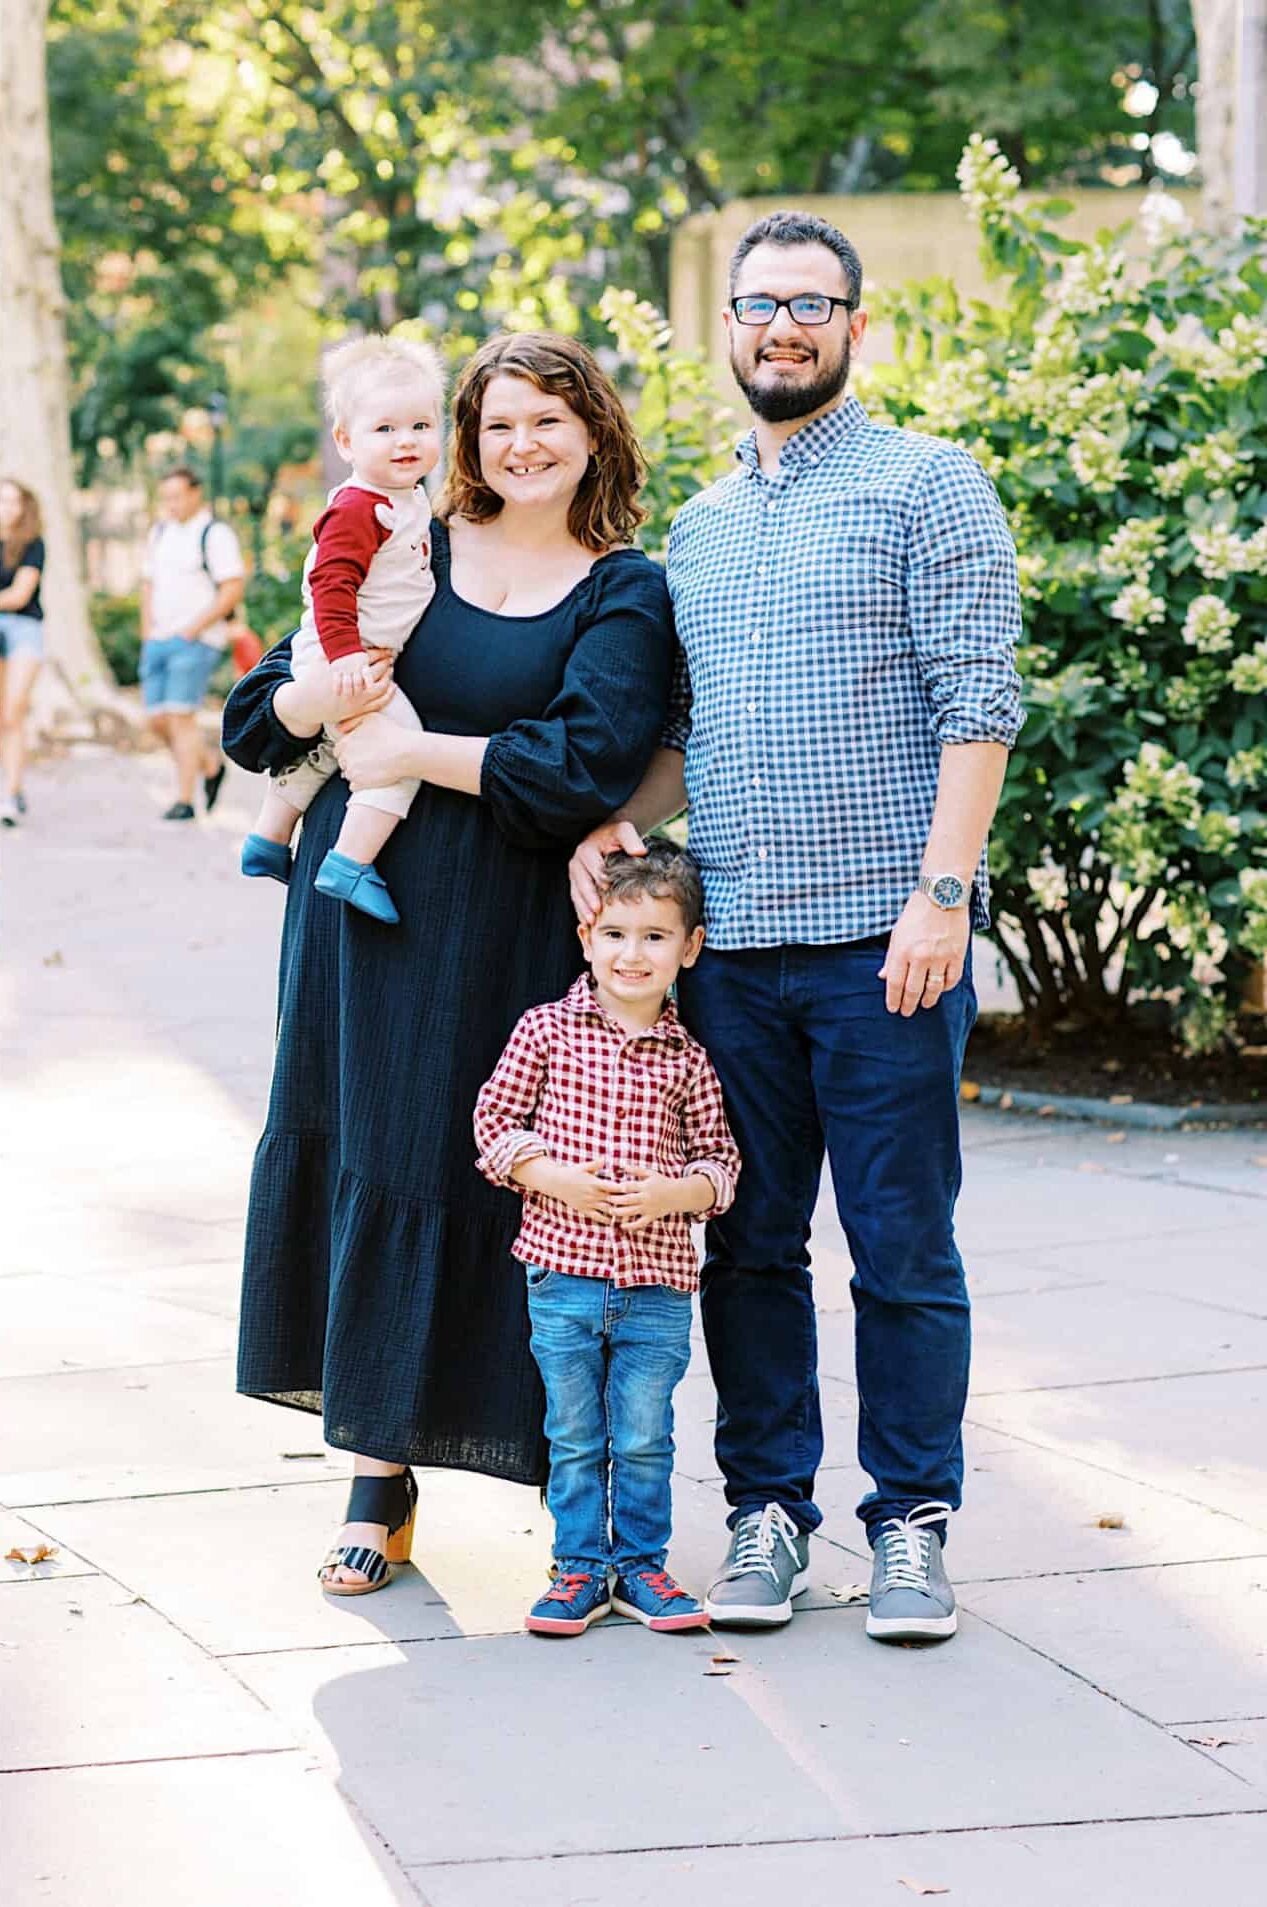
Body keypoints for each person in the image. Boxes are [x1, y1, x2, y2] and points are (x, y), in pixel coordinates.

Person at [570, 209, 1024, 1644]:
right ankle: (766, 1510)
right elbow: (687, 738)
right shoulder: (694, 529)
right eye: (758, 303)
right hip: (736, 955)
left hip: (886, 948)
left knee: (900, 1245)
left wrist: (940, 893)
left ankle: (910, 1525)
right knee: (750, 1242)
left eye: (810, 305)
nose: (782, 326)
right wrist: (607, 819)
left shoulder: (927, 485)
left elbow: (978, 703)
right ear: (725, 328)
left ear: (853, 325)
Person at [221, 332, 676, 1595]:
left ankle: (557, 1478)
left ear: (596, 434)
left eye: (550, 420)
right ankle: (377, 1474)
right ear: (463, 439)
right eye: (497, 423)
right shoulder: (397, 541)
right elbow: (261, 720)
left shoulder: (622, 590)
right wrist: (329, 700)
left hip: (515, 930)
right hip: (363, 921)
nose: (520, 444)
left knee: (518, 1178)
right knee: (373, 1148)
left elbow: (578, 768)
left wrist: (414, 754)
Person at [474, 838, 740, 1637]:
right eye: (615, 933)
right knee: (576, 1432)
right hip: (563, 1274)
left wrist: (673, 1192)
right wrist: (551, 1176)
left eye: (655, 936)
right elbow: (493, 1126)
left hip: (657, 1284)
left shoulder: (688, 1058)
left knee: (645, 1432)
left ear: (687, 949)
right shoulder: (545, 1031)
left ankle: (639, 1566)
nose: (633, 953)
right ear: (586, 937)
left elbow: (720, 1164)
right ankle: (579, 1566)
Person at [241, 336, 442, 924]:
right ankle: (349, 862)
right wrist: (345, 657)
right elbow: (331, 585)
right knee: (395, 753)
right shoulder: (361, 507)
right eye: (384, 430)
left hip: (352, 658)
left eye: (420, 425)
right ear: (346, 441)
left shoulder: (407, 498)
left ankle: (268, 838)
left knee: (327, 750)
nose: (405, 440)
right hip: (344, 660)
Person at [140, 466, 245, 820]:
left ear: (195, 493)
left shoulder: (214, 534)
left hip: (196, 640)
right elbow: (148, 582)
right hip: (157, 639)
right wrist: (147, 630)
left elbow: (232, 589)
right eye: (166, 497)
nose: (171, 504)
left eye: (177, 496)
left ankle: (185, 799)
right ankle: (209, 764)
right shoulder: (160, 533)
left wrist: (193, 628)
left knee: (180, 717)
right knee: (157, 721)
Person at [0, 479, 46, 828]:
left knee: (13, 712)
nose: (7, 508)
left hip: (22, 628)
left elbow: (19, 595)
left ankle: (12, 792)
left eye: (13, 501)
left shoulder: (32, 544)